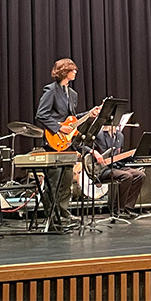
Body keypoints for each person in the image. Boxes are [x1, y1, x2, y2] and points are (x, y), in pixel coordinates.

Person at [36, 58, 99, 224]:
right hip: (53, 141)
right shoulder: (50, 90)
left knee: (67, 179)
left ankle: (63, 212)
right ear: (64, 71)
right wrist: (58, 128)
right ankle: (51, 214)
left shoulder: (72, 94)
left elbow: (71, 119)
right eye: (73, 70)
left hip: (67, 143)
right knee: (54, 180)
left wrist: (88, 114)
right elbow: (41, 114)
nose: (75, 72)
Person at [94, 126, 146, 218]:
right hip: (103, 169)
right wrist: (94, 152)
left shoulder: (120, 136)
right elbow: (82, 145)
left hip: (117, 167)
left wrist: (133, 155)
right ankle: (118, 209)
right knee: (127, 176)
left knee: (140, 175)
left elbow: (120, 156)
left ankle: (127, 208)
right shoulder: (98, 134)